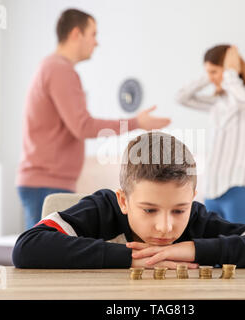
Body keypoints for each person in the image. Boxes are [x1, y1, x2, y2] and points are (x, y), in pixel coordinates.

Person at [12, 131, 245, 269]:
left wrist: (192, 250)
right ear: (123, 200)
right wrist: (135, 259)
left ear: (192, 198)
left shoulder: (198, 218)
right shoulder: (102, 208)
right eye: (149, 210)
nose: (165, 227)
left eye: (179, 210)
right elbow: (27, 248)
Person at [16, 9, 170, 230]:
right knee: (45, 258)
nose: (96, 43)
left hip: (43, 180)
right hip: (46, 183)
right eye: (93, 34)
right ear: (76, 33)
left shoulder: (51, 67)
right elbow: (82, 126)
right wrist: (136, 123)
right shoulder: (60, 70)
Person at [176, 44, 245, 224]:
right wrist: (208, 76)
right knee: (212, 250)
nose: (212, 78)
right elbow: (181, 97)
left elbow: (241, 99)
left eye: (214, 71)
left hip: (240, 188)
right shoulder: (218, 101)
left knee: (242, 249)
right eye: (208, 72)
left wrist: (231, 72)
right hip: (212, 190)